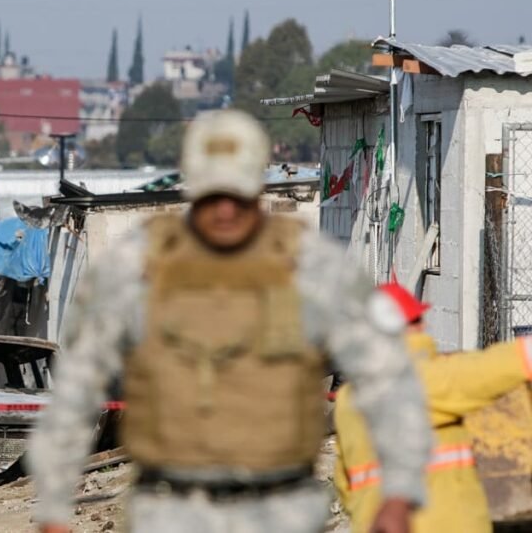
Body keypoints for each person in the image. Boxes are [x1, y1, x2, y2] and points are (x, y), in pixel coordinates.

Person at [27, 109, 433, 533]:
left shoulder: (312, 266)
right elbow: (76, 387)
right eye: (211, 196)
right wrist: (55, 503)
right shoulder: (136, 266)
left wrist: (399, 493)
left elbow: (389, 377)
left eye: (236, 197)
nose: (224, 211)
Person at [334, 281, 532, 533]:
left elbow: (344, 481)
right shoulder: (418, 380)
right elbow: (491, 368)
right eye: (416, 319)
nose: (424, 326)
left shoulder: (348, 398)